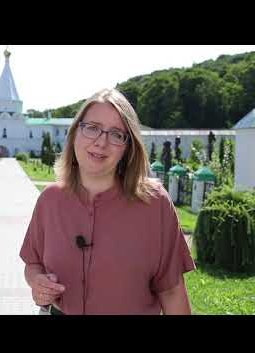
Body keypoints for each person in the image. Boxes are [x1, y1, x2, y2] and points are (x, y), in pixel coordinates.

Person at [20, 88, 196, 315]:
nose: (101, 142)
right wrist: (37, 281)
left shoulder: (155, 204)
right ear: (75, 133)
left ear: (128, 147)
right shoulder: (49, 201)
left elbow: (172, 292)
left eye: (116, 134)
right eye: (92, 128)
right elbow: (32, 263)